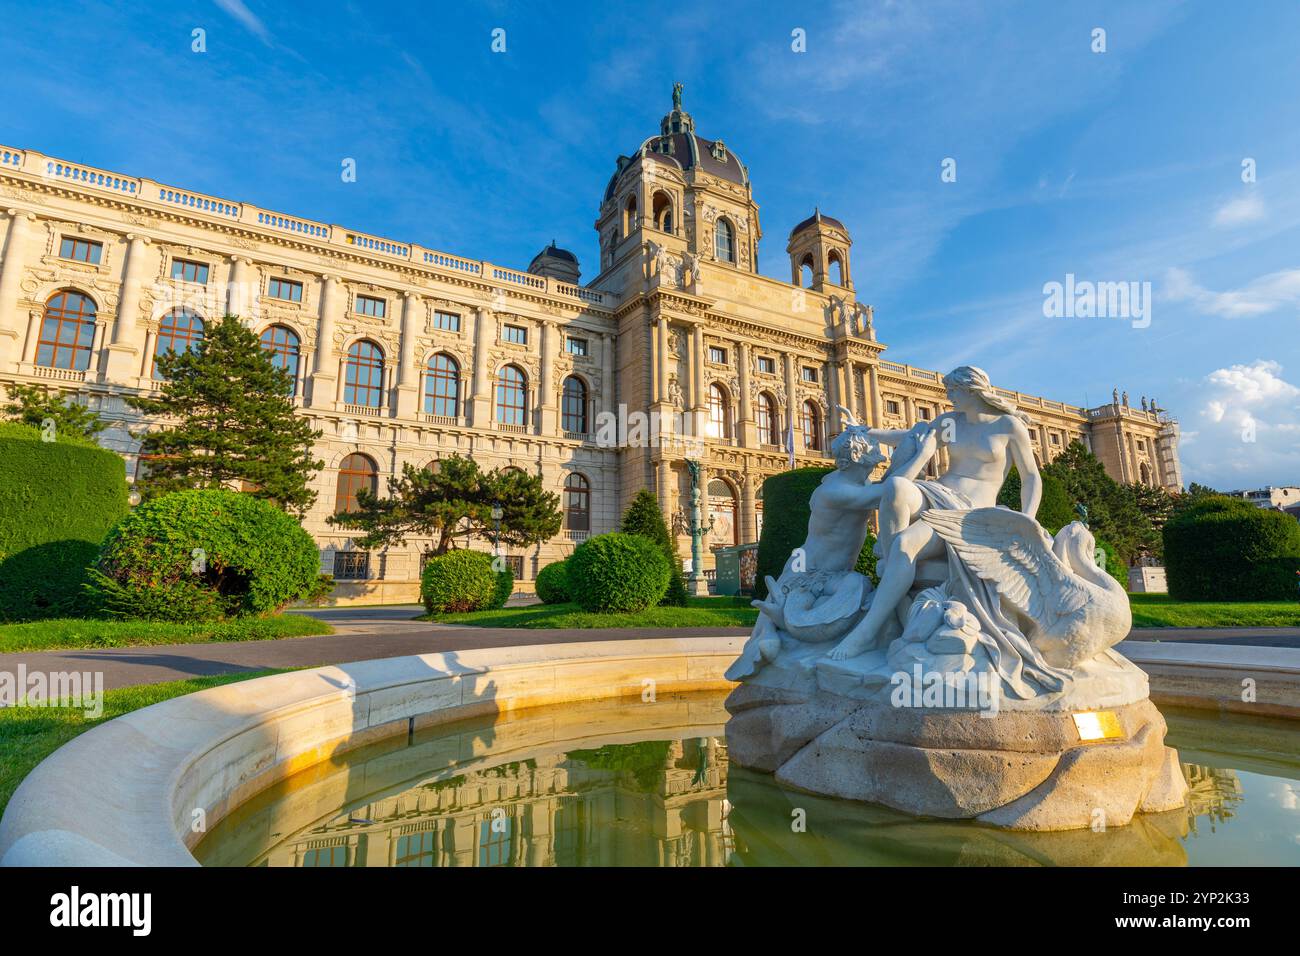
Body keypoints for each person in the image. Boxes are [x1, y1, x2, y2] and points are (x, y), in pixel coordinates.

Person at [827, 365, 1040, 661]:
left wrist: (1025, 522)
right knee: (897, 487)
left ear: (971, 390)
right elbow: (907, 436)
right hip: (938, 492)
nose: (949, 396)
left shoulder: (1007, 426)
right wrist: (863, 431)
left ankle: (869, 629)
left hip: (970, 509)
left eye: (953, 390)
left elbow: (1031, 478)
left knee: (905, 544)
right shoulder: (950, 422)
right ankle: (892, 582)